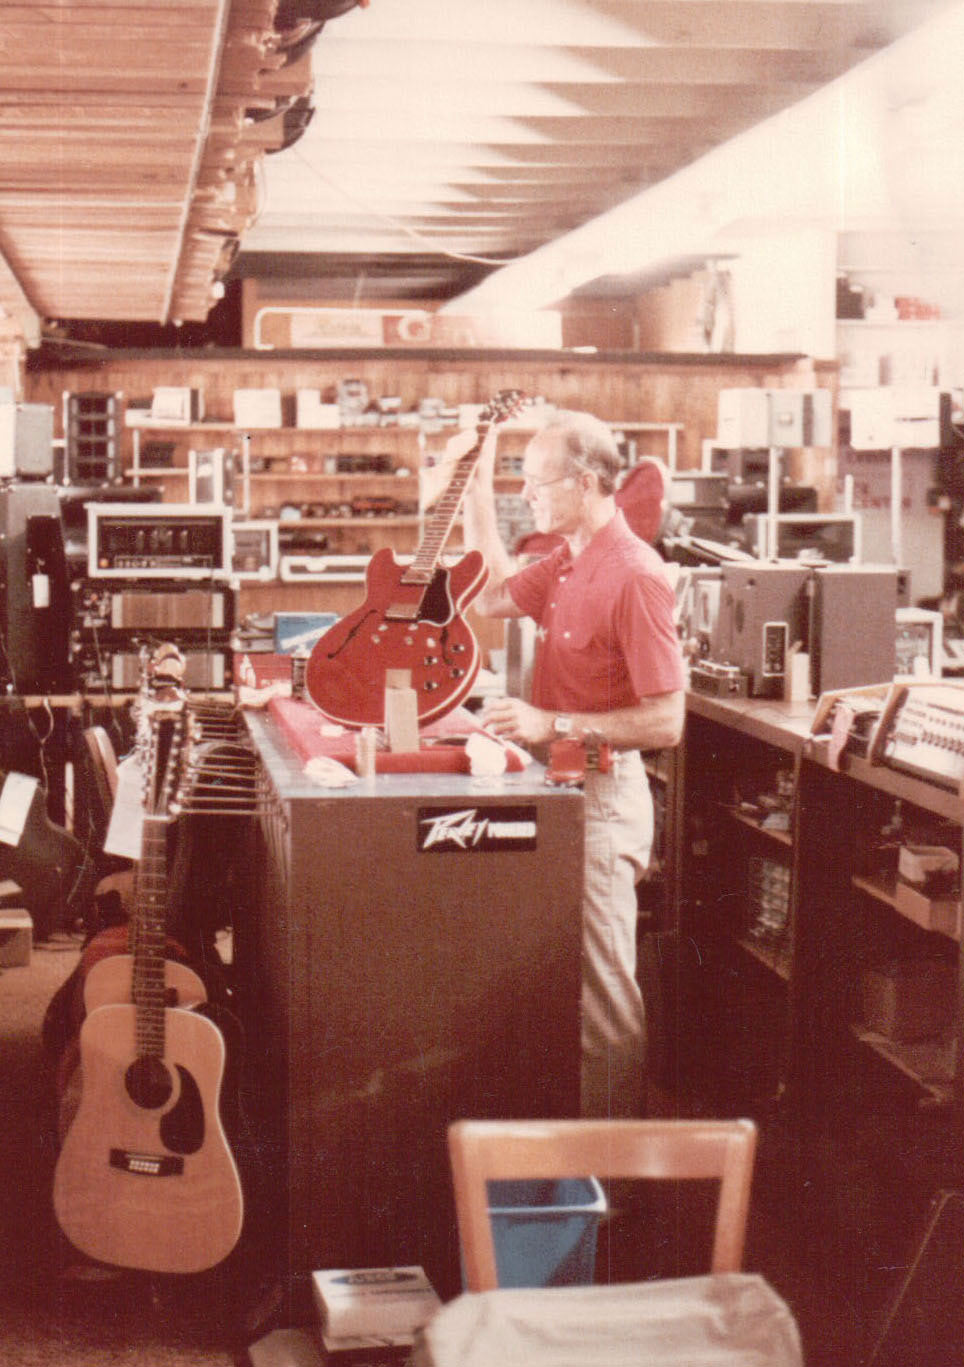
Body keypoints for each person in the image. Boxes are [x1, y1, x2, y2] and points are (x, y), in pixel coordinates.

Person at [458, 408, 686, 1118]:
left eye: (537, 482)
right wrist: (475, 473)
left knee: (602, 989)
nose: (526, 495)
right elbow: (489, 594)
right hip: (558, 787)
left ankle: (610, 1186)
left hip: (603, 796)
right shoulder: (567, 559)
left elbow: (666, 720)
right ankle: (573, 1161)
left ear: (587, 482)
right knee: (563, 981)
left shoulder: (635, 575)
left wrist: (548, 721)